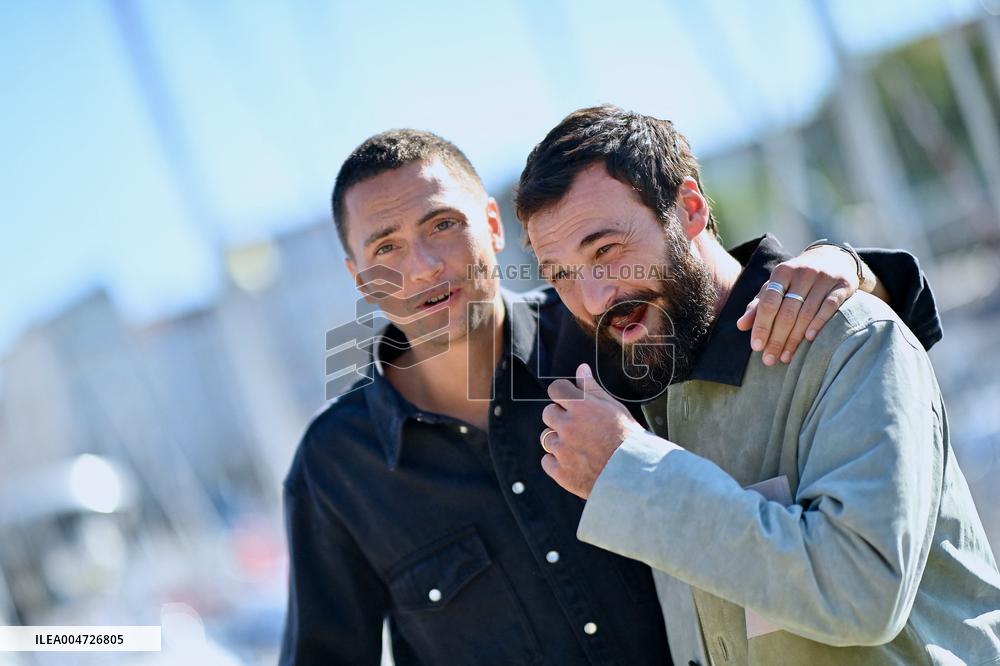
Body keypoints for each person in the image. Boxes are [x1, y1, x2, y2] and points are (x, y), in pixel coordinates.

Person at [279, 128, 941, 665]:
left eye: (443, 224)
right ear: (359, 278)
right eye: (386, 247)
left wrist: (854, 269)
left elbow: (737, 308)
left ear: (493, 225)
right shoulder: (333, 468)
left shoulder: (608, 328)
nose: (423, 266)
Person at [515, 104, 1000, 665]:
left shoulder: (849, 338)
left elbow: (861, 593)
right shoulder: (651, 374)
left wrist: (631, 473)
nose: (595, 297)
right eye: (562, 275)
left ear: (690, 209)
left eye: (606, 251)